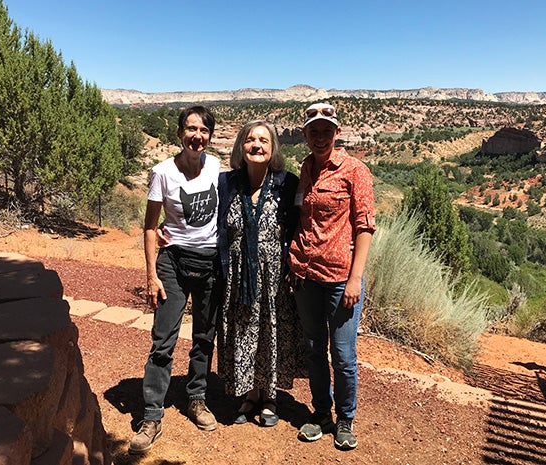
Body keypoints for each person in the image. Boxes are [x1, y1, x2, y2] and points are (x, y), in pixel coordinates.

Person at [129, 106, 221, 455]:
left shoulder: (215, 167)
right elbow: (151, 226)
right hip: (173, 263)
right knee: (163, 339)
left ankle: (196, 398)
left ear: (210, 136)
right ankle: (151, 415)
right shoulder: (163, 173)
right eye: (191, 128)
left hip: (211, 263)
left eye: (203, 130)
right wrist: (151, 274)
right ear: (180, 132)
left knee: (204, 336)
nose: (197, 136)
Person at [288, 103, 376, 450]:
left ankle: (346, 420)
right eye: (314, 131)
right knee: (313, 349)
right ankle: (321, 413)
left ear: (337, 133)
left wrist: (356, 279)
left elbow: (364, 226)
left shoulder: (355, 170)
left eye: (327, 130)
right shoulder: (306, 167)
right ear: (305, 134)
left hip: (341, 279)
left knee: (343, 355)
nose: (320, 137)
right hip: (306, 276)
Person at [216, 120, 302, 427]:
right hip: (238, 274)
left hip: (274, 275)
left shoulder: (286, 183)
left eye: (264, 140)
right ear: (241, 146)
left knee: (270, 329)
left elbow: (300, 225)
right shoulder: (227, 183)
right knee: (243, 330)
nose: (257, 145)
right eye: (250, 140)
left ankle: (270, 396)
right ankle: (250, 393)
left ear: (273, 148)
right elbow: (210, 224)